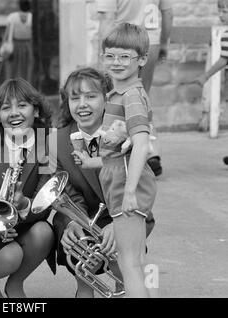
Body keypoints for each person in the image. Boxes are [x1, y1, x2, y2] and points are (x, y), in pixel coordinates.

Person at [54, 67, 155, 297]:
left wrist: (116, 226)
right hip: (84, 220)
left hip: (125, 215)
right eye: (75, 97)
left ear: (107, 98)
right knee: (76, 242)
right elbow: (65, 194)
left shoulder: (123, 136)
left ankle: (128, 283)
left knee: (132, 267)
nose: (82, 104)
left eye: (91, 96)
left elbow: (141, 189)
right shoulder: (55, 141)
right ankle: (84, 288)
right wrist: (71, 224)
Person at [75, 23, 157, 298]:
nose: (116, 62)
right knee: (130, 262)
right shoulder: (120, 94)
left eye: (125, 56)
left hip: (126, 187)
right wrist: (91, 162)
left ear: (142, 59)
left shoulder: (131, 96)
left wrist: (131, 192)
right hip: (120, 182)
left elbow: (142, 144)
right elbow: (120, 153)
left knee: (130, 264)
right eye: (110, 55)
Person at [0, 78, 55, 298]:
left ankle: (15, 284)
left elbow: (45, 202)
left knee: (45, 233)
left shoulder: (49, 145)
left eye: (22, 105)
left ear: (36, 111)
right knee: (10, 256)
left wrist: (23, 205)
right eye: (6, 108)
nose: (14, 113)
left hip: (25, 223)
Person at [96, 0, 173, 177]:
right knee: (140, 96)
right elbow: (168, 14)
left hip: (121, 46)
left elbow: (107, 19)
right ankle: (151, 151)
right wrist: (164, 44)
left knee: (120, 98)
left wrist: (105, 56)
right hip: (150, 42)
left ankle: (124, 151)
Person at [191, 0, 228, 133]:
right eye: (219, 11)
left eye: (224, 12)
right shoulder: (223, 34)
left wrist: (205, 76)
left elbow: (223, 60)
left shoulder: (225, 35)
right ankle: (206, 115)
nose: (220, 15)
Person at [0, 0, 33, 89]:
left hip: (14, 46)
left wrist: (4, 44)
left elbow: (7, 33)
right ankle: (25, 88)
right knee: (27, 68)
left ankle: (10, 88)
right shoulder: (32, 17)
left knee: (11, 69)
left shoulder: (12, 17)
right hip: (28, 46)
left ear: (19, 6)